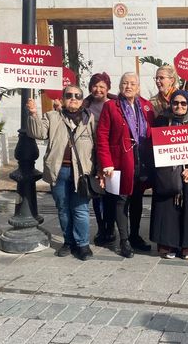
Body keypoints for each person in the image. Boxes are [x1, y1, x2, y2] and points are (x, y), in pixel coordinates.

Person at [26, 85, 96, 261]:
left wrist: (98, 170)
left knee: (80, 209)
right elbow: (38, 133)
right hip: (59, 170)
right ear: (63, 98)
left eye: (77, 96)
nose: (73, 98)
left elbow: (97, 144)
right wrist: (33, 113)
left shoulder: (89, 118)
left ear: (82, 99)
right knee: (63, 209)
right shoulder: (52, 116)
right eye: (69, 95)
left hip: (81, 172)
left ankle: (83, 245)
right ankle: (68, 241)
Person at [96, 72, 155, 257]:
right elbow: (102, 136)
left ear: (138, 87)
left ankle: (135, 235)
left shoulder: (146, 106)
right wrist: (106, 163)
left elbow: (153, 132)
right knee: (122, 199)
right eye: (124, 83)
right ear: (120, 86)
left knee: (137, 198)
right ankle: (124, 240)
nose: (128, 86)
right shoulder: (110, 106)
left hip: (141, 160)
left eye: (132, 83)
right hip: (119, 161)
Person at [150, 90, 188, 260]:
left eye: (183, 103)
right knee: (167, 207)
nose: (179, 106)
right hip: (166, 173)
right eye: (175, 103)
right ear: (170, 104)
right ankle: (167, 243)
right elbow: (153, 147)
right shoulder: (161, 121)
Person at [83, 72, 118, 248]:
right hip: (91, 155)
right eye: (95, 86)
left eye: (102, 86)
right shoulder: (84, 105)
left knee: (111, 193)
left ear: (108, 89)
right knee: (97, 193)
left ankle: (110, 227)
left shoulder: (115, 104)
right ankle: (101, 227)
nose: (98, 89)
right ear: (90, 87)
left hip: (111, 155)